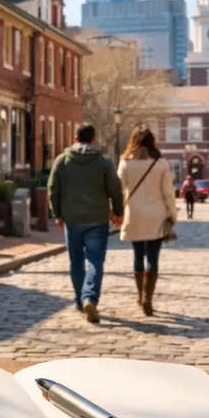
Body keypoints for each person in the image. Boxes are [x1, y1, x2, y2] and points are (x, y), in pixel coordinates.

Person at [49, 123, 124, 324]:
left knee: (76, 261)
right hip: (97, 219)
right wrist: (118, 212)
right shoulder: (103, 161)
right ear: (94, 140)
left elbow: (53, 188)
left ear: (75, 139)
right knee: (95, 261)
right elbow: (115, 189)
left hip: (72, 219)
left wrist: (58, 214)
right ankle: (89, 297)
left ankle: (79, 300)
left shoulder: (62, 160)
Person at [117, 127, 177, 316]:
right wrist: (172, 214)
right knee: (152, 257)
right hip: (156, 215)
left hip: (134, 215)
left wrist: (117, 212)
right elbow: (168, 193)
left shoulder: (125, 162)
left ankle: (140, 295)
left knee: (137, 255)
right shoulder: (160, 163)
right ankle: (147, 298)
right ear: (152, 141)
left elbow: (119, 189)